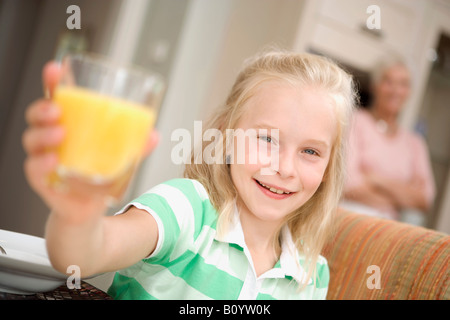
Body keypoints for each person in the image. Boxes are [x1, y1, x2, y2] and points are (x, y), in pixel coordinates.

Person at [22, 51, 356, 299]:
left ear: (329, 168)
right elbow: (83, 255)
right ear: (225, 137)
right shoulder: (186, 210)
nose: (285, 168)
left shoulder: (312, 276)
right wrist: (79, 211)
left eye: (310, 152)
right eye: (267, 139)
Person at [342, 58, 435, 225]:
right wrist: (401, 197)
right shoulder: (355, 121)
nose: (395, 90)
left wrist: (375, 180)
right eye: (388, 81)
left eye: (403, 84)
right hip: (349, 221)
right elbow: (348, 184)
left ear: (409, 92)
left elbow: (425, 198)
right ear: (375, 86)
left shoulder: (415, 143)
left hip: (390, 230)